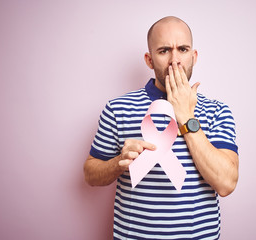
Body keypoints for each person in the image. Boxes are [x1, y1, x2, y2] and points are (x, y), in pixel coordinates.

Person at [84, 16, 239, 240]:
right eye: (164, 50)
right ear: (149, 59)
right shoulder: (118, 108)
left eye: (183, 49)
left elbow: (226, 183)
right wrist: (119, 162)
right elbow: (90, 174)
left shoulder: (218, 111)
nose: (175, 60)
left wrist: (186, 116)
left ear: (194, 57)